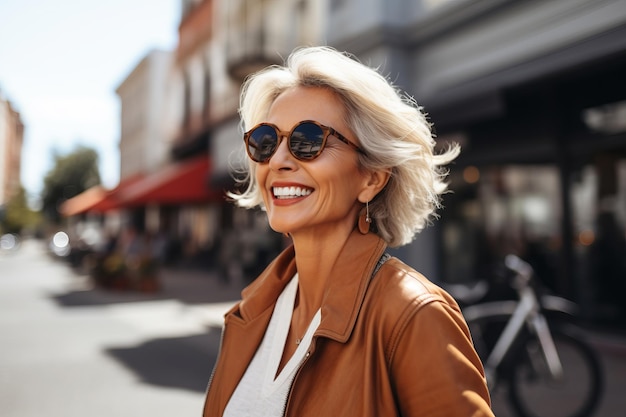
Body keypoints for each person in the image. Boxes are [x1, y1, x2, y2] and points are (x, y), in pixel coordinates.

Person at [203, 46, 494, 417]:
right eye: (266, 140)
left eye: (307, 140)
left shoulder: (413, 315)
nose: (277, 160)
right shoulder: (254, 310)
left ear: (371, 178)